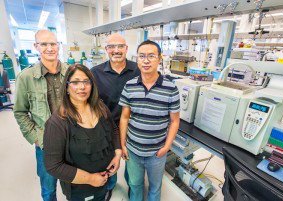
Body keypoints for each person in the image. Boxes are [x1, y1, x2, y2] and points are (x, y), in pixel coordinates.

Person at [43, 64, 122, 201]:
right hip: (80, 189)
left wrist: (117, 152)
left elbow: (113, 129)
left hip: (104, 179)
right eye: (75, 82)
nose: (82, 87)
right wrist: (90, 179)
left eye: (86, 81)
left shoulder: (100, 107)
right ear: (67, 86)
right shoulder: (57, 123)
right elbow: (53, 166)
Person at [119, 40, 180, 201]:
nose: (146, 60)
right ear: (137, 59)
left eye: (151, 56)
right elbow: (124, 117)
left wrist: (167, 147)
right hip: (133, 150)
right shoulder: (129, 86)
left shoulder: (171, 88)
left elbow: (174, 121)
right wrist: (123, 144)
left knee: (155, 187)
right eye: (142, 56)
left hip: (157, 152)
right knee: (135, 184)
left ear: (159, 59)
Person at [13, 30, 68, 201]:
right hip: (45, 144)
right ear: (36, 46)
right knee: (48, 188)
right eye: (44, 44)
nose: (50, 48)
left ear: (58, 45)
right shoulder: (26, 77)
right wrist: (36, 138)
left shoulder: (72, 72)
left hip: (72, 140)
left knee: (74, 184)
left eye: (53, 43)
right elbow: (20, 112)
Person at [91, 33, 140, 200]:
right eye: (112, 46)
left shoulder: (138, 69)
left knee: (132, 164)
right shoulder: (95, 73)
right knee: (109, 161)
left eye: (120, 46)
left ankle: (132, 185)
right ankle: (110, 186)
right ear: (106, 49)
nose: (116, 50)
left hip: (133, 127)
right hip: (107, 128)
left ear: (126, 49)